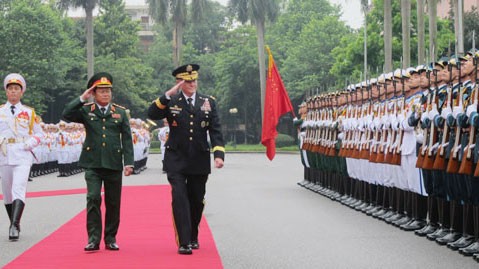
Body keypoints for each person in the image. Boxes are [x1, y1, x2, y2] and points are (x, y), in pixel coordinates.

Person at [147, 64, 225, 255]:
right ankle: (183, 241)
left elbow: (215, 130)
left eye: (194, 80)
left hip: (198, 158)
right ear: (179, 82)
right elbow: (152, 114)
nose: (192, 84)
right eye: (187, 81)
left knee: (197, 200)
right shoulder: (171, 100)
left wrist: (218, 154)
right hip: (176, 158)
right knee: (180, 198)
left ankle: (193, 234)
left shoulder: (208, 101)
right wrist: (167, 95)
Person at [62, 72, 134, 252]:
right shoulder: (87, 110)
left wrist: (129, 163)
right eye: (101, 91)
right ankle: (93, 239)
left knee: (113, 202)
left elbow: (126, 138)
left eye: (108, 91)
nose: (105, 94)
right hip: (93, 163)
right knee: (93, 198)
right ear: (94, 93)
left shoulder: (120, 112)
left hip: (113, 163)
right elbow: (67, 114)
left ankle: (110, 238)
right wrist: (82, 98)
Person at [0, 73, 43, 241]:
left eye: (16, 89)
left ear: (21, 92)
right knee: (7, 193)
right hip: (4, 154)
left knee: (18, 188)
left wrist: (30, 143)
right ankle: (14, 222)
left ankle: (14, 225)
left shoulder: (29, 113)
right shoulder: (1, 112)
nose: (13, 92)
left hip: (23, 154)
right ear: (6, 92)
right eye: (10, 89)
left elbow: (40, 134)